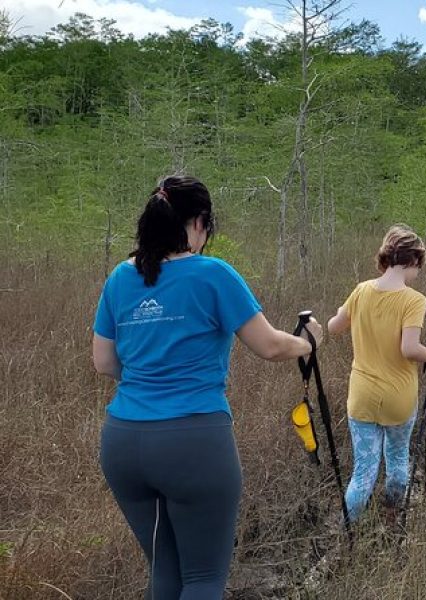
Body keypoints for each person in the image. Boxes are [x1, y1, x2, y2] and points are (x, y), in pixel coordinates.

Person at [92, 175, 322, 600]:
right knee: (203, 579)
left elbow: (104, 361)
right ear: (198, 223)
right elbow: (270, 345)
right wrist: (307, 341)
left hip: (123, 443)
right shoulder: (212, 273)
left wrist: (152, 377)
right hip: (193, 441)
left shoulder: (121, 277)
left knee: (166, 573)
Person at [327, 224, 426, 526]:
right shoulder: (413, 300)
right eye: (420, 264)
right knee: (397, 460)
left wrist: (347, 309)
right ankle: (393, 521)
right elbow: (409, 349)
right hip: (399, 398)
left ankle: (348, 533)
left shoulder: (361, 290)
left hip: (362, 397)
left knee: (363, 472)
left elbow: (333, 327)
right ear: (413, 261)